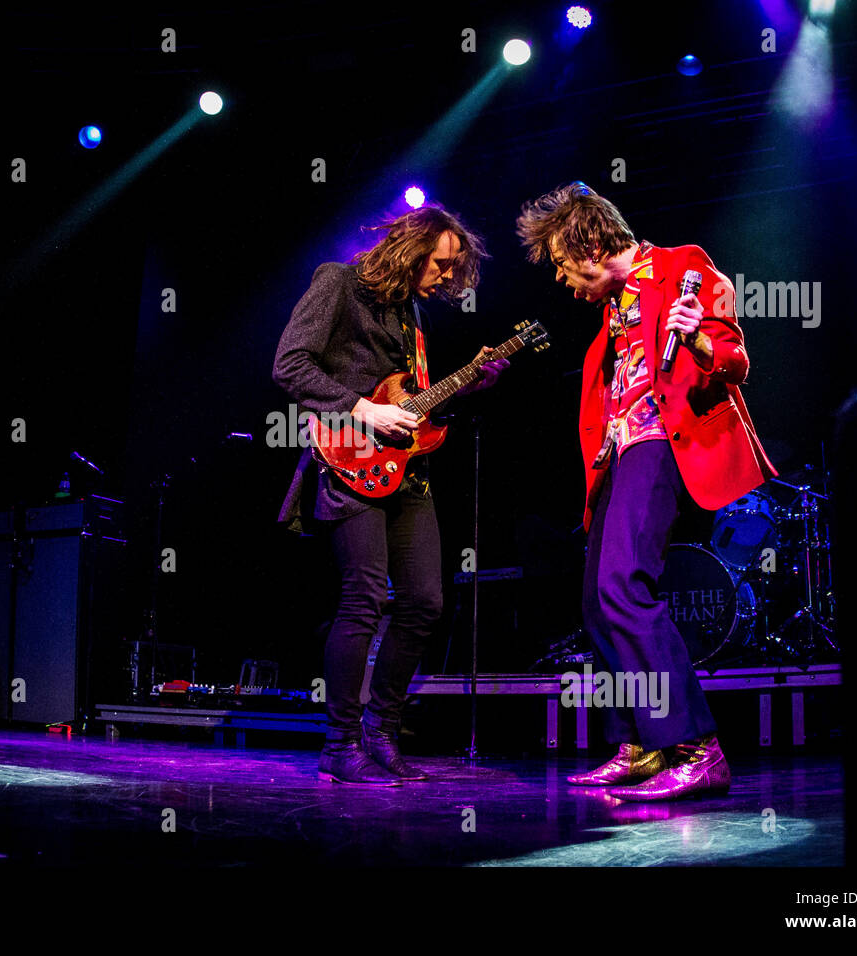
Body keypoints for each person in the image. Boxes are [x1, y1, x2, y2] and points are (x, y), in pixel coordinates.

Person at [515, 183, 776, 800]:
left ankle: (696, 746)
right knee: (596, 600)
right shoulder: (610, 310)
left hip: (661, 442)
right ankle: (641, 745)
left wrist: (700, 341)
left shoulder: (682, 266)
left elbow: (735, 358)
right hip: (619, 454)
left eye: (560, 262)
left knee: (622, 583)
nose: (559, 278)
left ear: (593, 243)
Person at [273, 205, 508, 785]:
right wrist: (362, 408)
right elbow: (289, 365)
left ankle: (381, 732)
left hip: (406, 471)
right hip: (347, 457)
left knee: (426, 600)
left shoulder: (412, 316)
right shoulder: (339, 282)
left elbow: (414, 412)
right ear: (413, 247)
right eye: (443, 263)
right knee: (364, 596)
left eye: (455, 269)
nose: (449, 276)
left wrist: (464, 388)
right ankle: (339, 742)